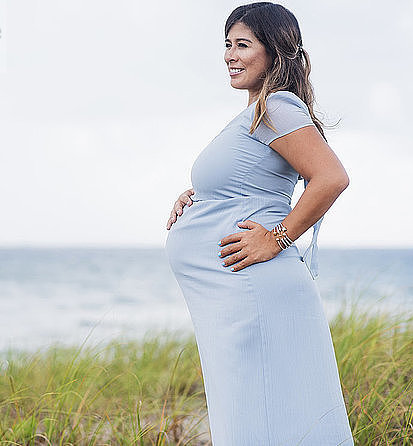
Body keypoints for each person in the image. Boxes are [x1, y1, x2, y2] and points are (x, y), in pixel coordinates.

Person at [164, 3, 355, 445]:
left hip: (254, 291)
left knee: (262, 412)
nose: (230, 55)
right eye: (227, 45)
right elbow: (250, 183)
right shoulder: (256, 113)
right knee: (255, 411)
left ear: (275, 51)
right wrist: (200, 198)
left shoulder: (279, 106)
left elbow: (330, 179)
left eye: (243, 45)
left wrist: (277, 238)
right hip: (237, 298)